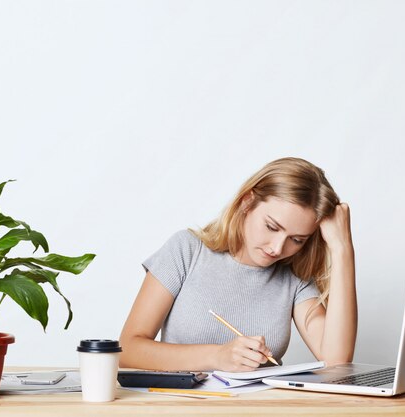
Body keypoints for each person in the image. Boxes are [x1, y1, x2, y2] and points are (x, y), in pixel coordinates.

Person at [119, 157, 357, 372]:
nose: (277, 248)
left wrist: (343, 249)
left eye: (296, 240)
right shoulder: (187, 250)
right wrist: (217, 356)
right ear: (247, 202)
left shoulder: (294, 276)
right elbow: (127, 350)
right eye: (272, 227)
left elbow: (336, 361)